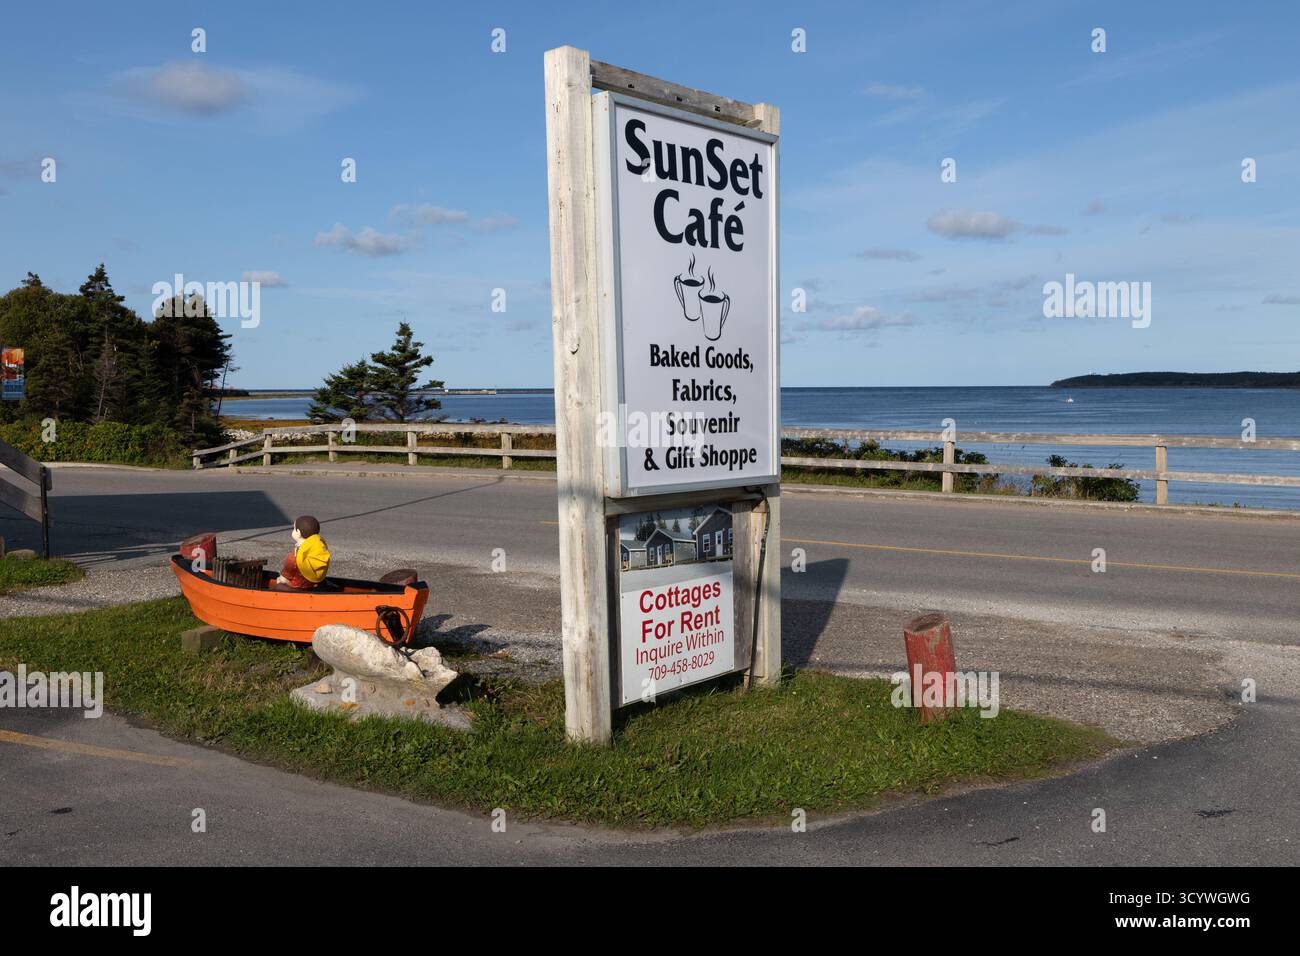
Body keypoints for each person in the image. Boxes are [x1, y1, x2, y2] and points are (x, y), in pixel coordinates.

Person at [275, 515, 331, 590]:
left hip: (296, 588)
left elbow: (285, 578)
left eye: (294, 528)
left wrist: (280, 580)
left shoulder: (295, 555)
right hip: (312, 585)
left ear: (298, 533)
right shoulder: (319, 548)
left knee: (278, 586)